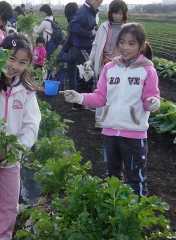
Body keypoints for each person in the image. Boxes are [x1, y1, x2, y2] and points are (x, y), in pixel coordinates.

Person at [60, 23, 160, 198]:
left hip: (134, 135)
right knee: (112, 177)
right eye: (122, 42)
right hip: (110, 133)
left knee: (136, 178)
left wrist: (153, 102)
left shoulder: (147, 71)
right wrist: (80, 97)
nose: (125, 47)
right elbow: (100, 98)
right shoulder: (109, 68)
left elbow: (149, 99)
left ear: (141, 46)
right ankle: (116, 209)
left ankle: (136, 214)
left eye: (131, 43)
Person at [0, 33, 41, 240]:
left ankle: (3, 238)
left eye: (22, 62)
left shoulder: (26, 92)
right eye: (11, 58)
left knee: (10, 202)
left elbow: (32, 124)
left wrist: (17, 147)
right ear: (0, 54)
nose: (14, 66)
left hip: (13, 158)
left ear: (28, 64)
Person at [85, 0, 129, 128]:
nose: (117, 16)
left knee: (117, 92)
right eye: (115, 13)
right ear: (111, 13)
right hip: (104, 63)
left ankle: (114, 119)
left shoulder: (127, 29)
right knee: (102, 91)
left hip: (120, 65)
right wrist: (90, 60)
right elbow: (96, 45)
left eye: (120, 14)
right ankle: (99, 120)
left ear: (124, 14)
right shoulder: (104, 27)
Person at [67, 0, 106, 110]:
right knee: (90, 74)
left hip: (87, 46)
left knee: (83, 76)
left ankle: (78, 104)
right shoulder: (83, 11)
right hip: (82, 47)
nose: (99, 5)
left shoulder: (91, 12)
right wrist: (89, 33)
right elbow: (72, 27)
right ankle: (90, 103)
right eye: (98, 2)